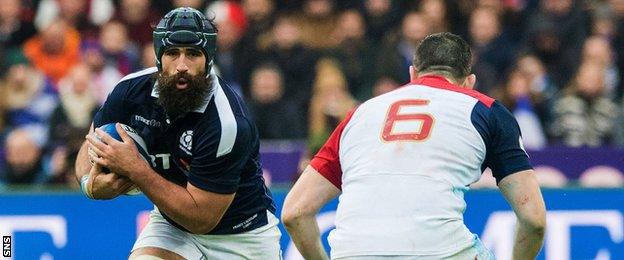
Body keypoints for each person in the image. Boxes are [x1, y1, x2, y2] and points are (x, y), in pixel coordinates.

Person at [282, 32, 546, 259]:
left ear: (412, 74)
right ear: (469, 82)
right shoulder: (486, 110)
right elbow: (533, 220)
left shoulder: (359, 114)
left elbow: (295, 212)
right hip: (439, 251)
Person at [74, 7, 281, 259]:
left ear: (209, 59)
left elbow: (201, 219)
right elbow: (90, 145)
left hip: (241, 234)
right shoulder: (129, 91)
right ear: (159, 57)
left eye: (193, 54)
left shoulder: (227, 122)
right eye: (172, 53)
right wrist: (91, 185)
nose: (181, 65)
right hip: (172, 226)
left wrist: (136, 169)